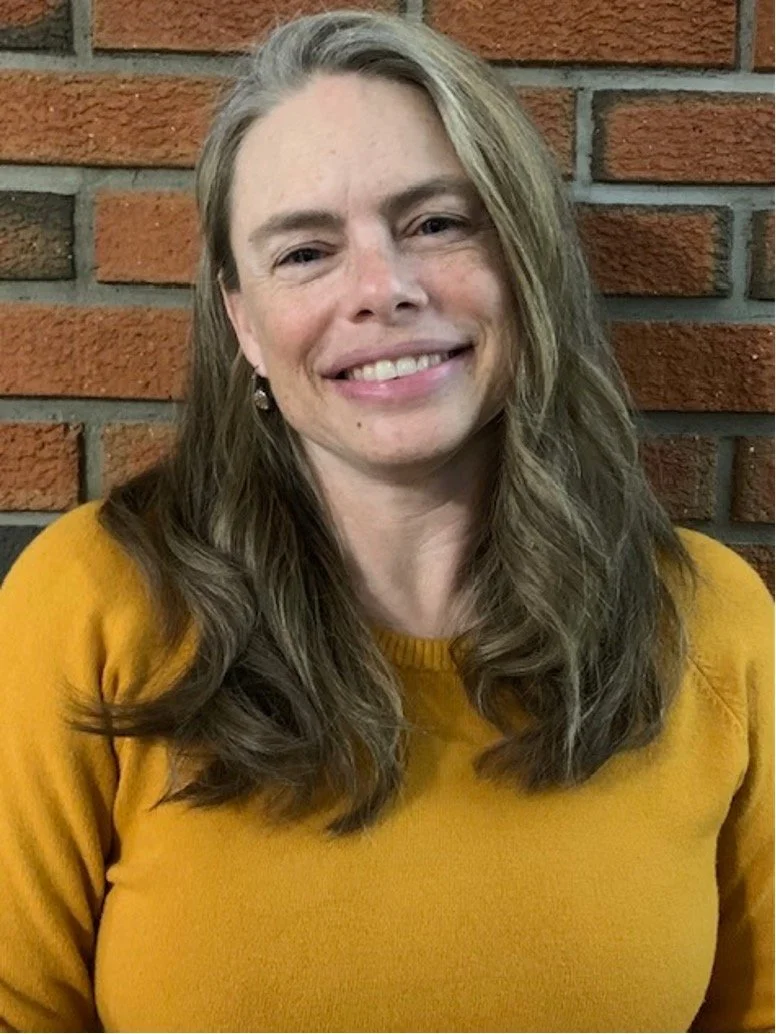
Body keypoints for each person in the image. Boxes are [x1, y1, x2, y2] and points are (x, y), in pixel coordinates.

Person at [0, 9, 772, 1033]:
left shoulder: (710, 625)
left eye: (435, 223)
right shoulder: (90, 607)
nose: (381, 290)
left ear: (524, 262)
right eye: (306, 251)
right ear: (243, 323)